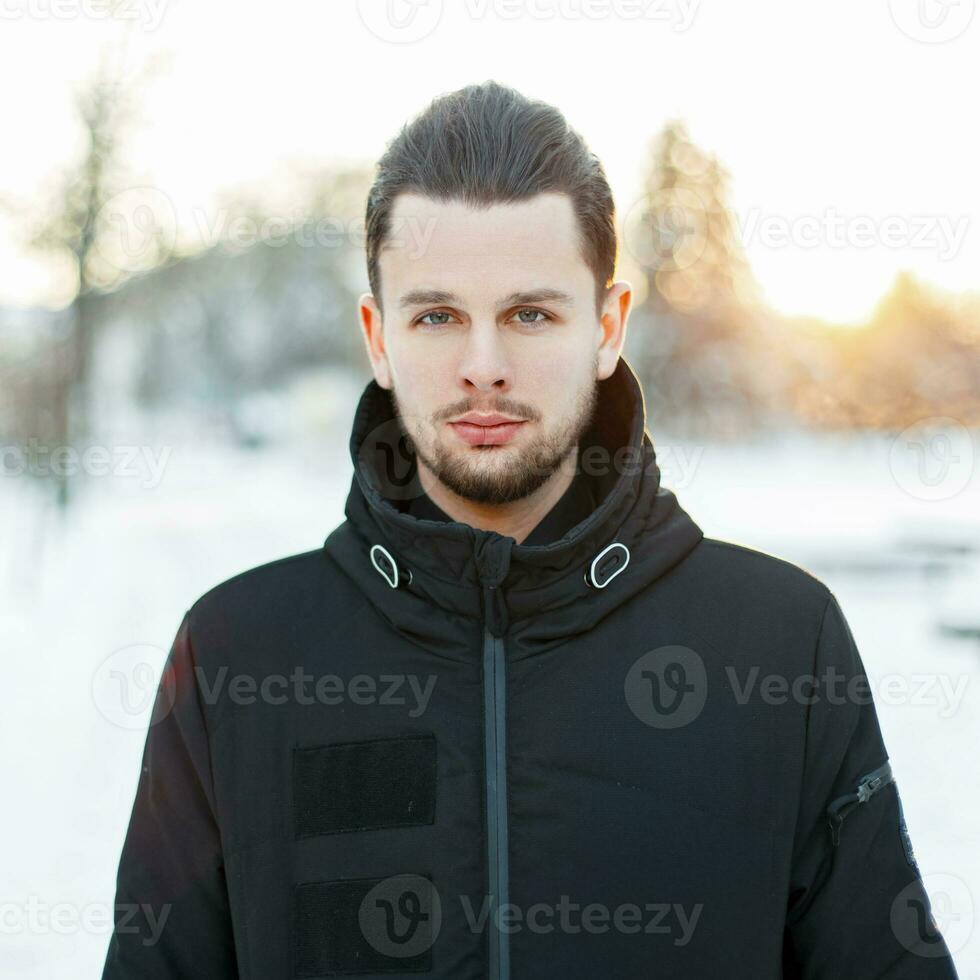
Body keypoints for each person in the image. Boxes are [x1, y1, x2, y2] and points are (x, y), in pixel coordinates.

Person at [101, 80, 961, 979]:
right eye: (437, 316)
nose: (484, 368)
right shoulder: (236, 657)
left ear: (607, 326)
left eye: (530, 314)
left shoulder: (783, 643)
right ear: (378, 338)